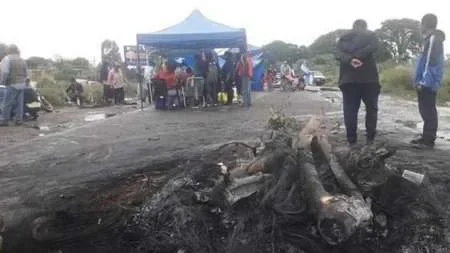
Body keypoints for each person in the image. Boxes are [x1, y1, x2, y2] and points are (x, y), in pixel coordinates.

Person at [336, 19, 380, 146]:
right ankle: (370, 139)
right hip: (369, 80)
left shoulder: (343, 38)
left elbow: (337, 54)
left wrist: (351, 59)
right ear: (365, 26)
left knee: (350, 110)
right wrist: (359, 56)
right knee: (371, 109)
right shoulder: (371, 35)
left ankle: (351, 141)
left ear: (353, 27)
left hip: (348, 80)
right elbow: (374, 47)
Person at [411, 14, 446, 149]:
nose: (420, 27)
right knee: (425, 109)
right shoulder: (428, 40)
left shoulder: (433, 40)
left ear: (425, 24)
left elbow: (430, 64)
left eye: (421, 24)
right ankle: (427, 136)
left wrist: (424, 82)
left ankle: (428, 139)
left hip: (428, 82)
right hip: (425, 81)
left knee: (428, 110)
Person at [0, 45, 28, 126]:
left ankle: (4, 121)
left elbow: (5, 72)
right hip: (22, 84)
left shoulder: (7, 59)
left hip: (12, 84)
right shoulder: (22, 60)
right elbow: (26, 73)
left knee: (7, 103)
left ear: (9, 50)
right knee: (19, 103)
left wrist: (2, 81)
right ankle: (18, 120)